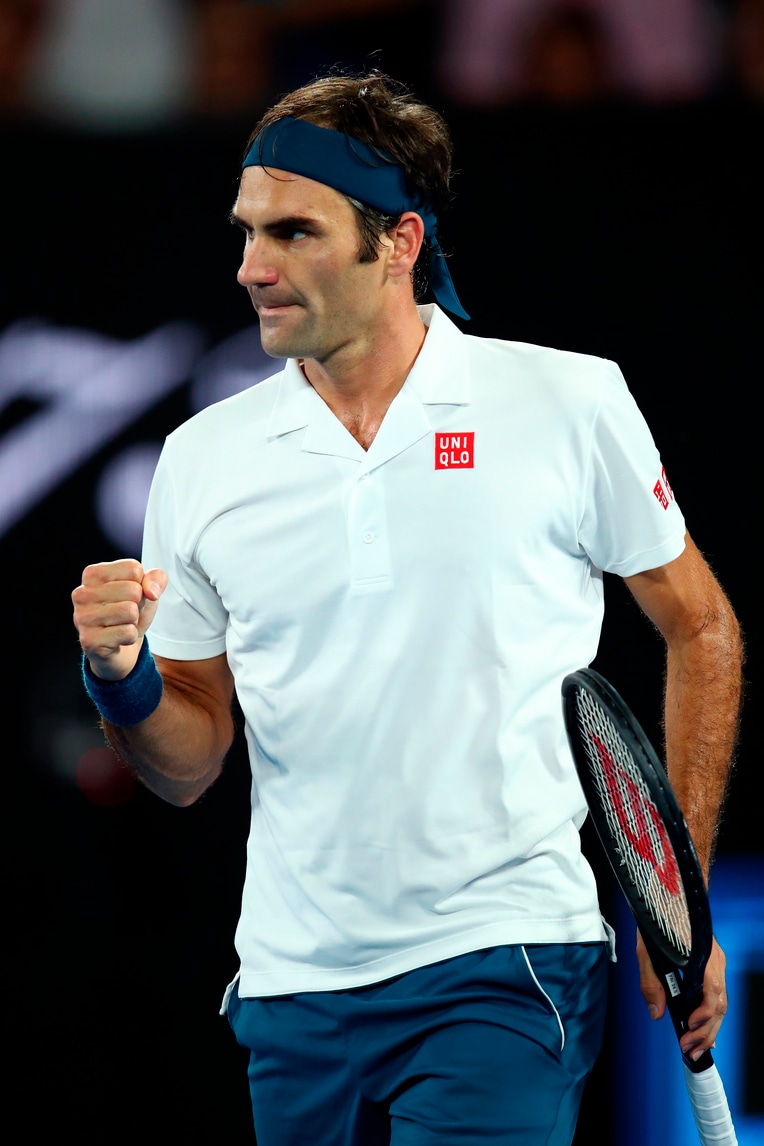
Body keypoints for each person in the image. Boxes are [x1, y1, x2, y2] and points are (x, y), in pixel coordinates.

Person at [71, 70, 743, 1146]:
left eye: (294, 233)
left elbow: (699, 623)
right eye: (247, 232)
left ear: (397, 242)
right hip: (291, 987)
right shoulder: (201, 460)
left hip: (506, 959)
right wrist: (123, 680)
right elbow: (187, 765)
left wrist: (681, 893)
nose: (251, 267)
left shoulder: (566, 402)